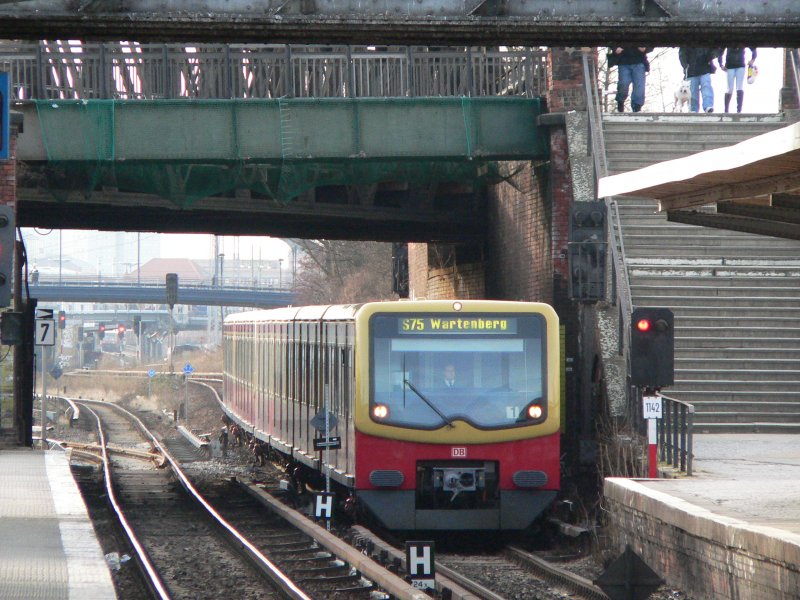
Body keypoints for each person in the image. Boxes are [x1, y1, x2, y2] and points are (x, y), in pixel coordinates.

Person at [608, 47, 651, 113]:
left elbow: (652, 43)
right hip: (623, 62)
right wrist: (615, 48)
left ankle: (637, 107)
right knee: (623, 83)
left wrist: (646, 49)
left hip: (639, 61)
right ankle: (620, 101)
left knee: (639, 86)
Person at [679, 47, 720, 113]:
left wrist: (713, 54)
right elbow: (682, 54)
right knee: (692, 91)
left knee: (706, 87)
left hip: (704, 67)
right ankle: (693, 109)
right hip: (691, 70)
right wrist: (685, 65)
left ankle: (708, 106)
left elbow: (714, 48)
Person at [718, 47, 757, 113]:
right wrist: (721, 64)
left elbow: (753, 49)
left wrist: (753, 59)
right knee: (730, 89)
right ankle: (726, 110)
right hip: (730, 66)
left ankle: (739, 110)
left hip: (740, 66)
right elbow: (720, 52)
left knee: (739, 87)